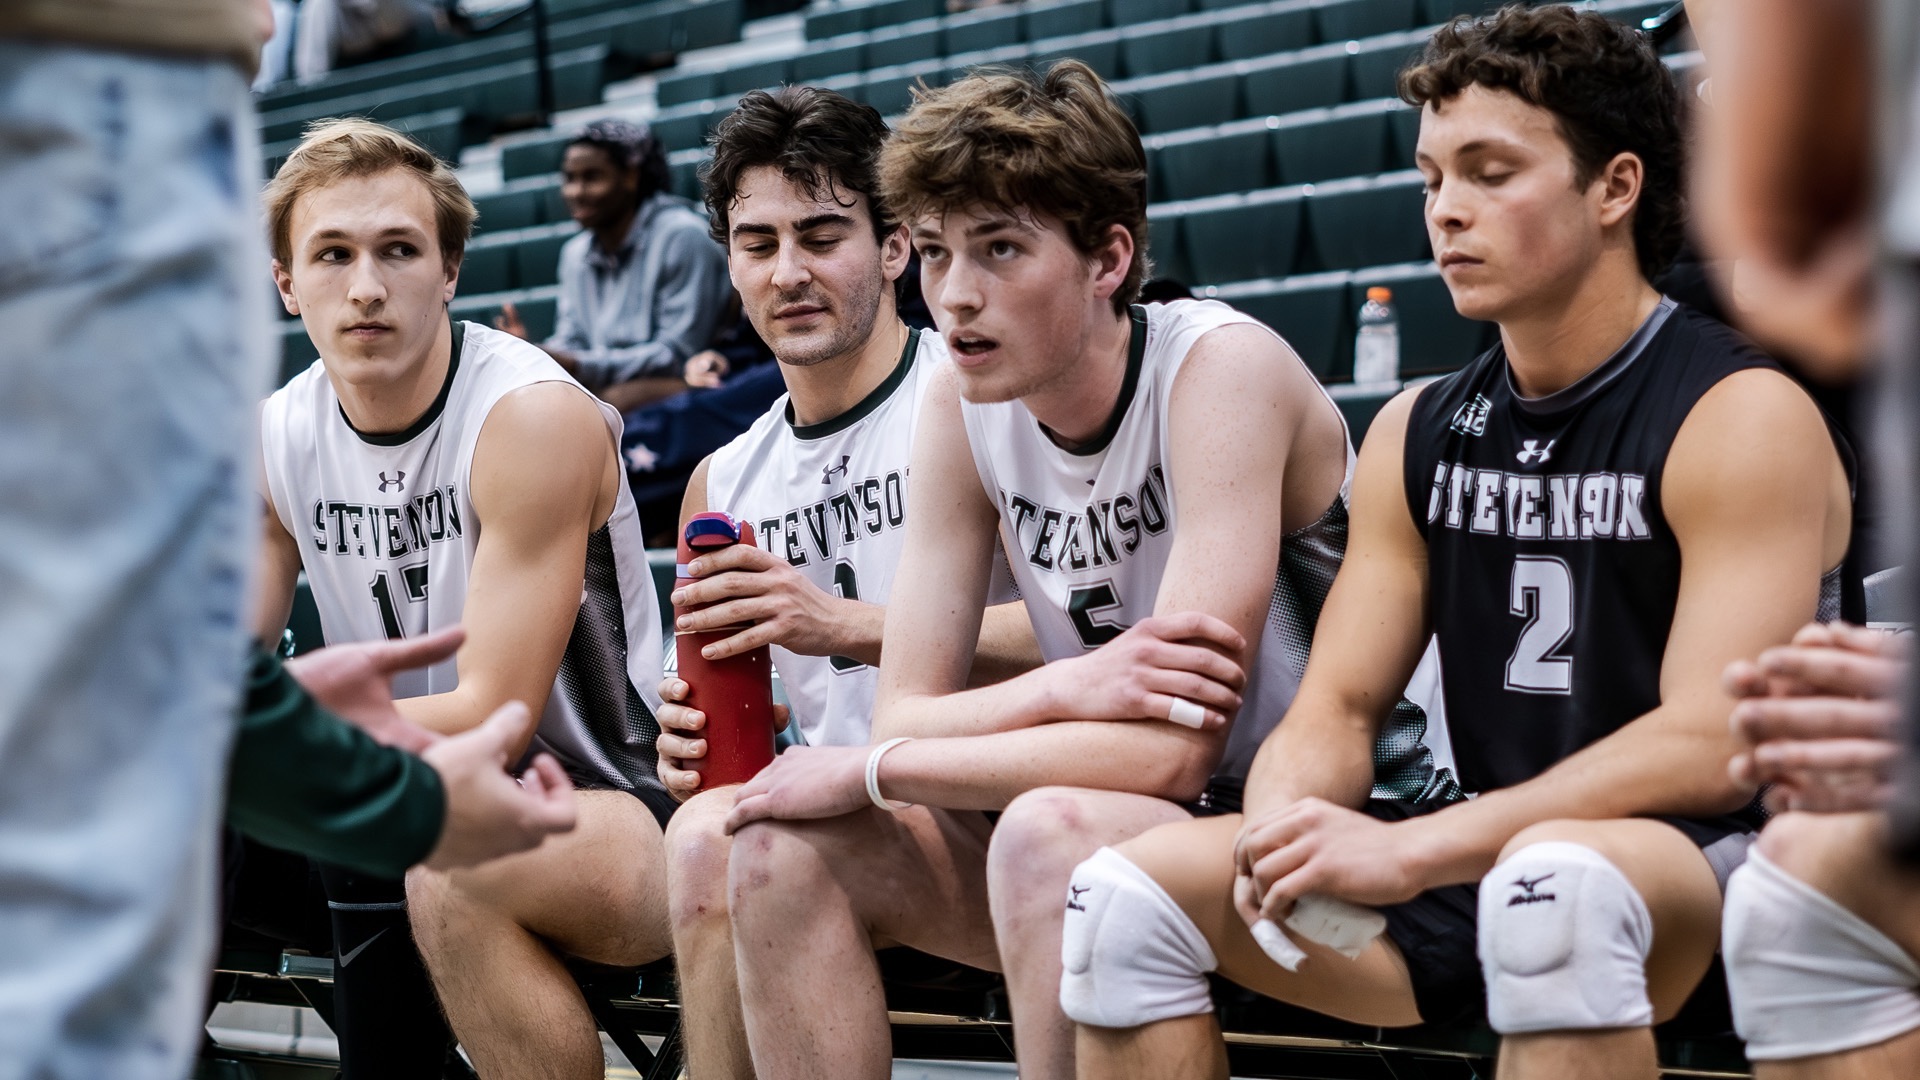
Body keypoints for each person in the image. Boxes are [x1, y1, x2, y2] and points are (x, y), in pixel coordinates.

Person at [1061, 9, 1855, 1079]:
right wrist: (1286, 824)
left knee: (1556, 896)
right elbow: (1338, 706)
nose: (1447, 213)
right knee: (1124, 901)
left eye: (1490, 173)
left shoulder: (1738, 411)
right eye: (1433, 177)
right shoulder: (1418, 429)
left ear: (1615, 188)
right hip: (1489, 850)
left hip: (1716, 866)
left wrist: (1412, 848)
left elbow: (1711, 745)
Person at [713, 61, 1450, 1080]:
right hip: (1132, 837)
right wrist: (1070, 685)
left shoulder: (1217, 370)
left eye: (1000, 250)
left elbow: (1169, 755)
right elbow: (903, 709)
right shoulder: (961, 405)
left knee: (1046, 833)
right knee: (771, 848)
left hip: (1338, 861)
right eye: (933, 253)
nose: (955, 296)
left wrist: (880, 765)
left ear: (1108, 258)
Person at [253, 118, 675, 1079]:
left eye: (398, 251)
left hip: (607, 800)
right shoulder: (275, 437)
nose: (366, 287)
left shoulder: (528, 415)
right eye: (332, 255)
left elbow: (496, 711)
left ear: (448, 272)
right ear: (287, 282)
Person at [651, 84, 1039, 1080]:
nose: (789, 272)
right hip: (813, 824)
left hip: (995, 823)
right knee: (703, 828)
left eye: (823, 235)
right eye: (758, 243)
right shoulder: (722, 478)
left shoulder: (978, 398)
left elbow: (1097, 636)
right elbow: (731, 733)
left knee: (754, 847)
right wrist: (682, 732)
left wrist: (852, 627)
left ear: (897, 245)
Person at [496, 118, 733, 411]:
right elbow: (573, 340)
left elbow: (678, 354)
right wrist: (537, 353)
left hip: (692, 385)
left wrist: (578, 364)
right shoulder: (574, 253)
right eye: (569, 178)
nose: (576, 192)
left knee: (609, 403)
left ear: (631, 177)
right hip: (605, 386)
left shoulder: (683, 236)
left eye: (592, 177)